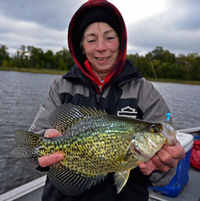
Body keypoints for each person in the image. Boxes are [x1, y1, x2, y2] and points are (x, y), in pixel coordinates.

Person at [29, 0, 185, 200]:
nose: (101, 48)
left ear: (121, 43)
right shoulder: (61, 86)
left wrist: (162, 167)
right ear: (82, 47)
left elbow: (165, 159)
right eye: (91, 40)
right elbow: (34, 144)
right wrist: (42, 149)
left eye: (109, 38)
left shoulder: (145, 91)